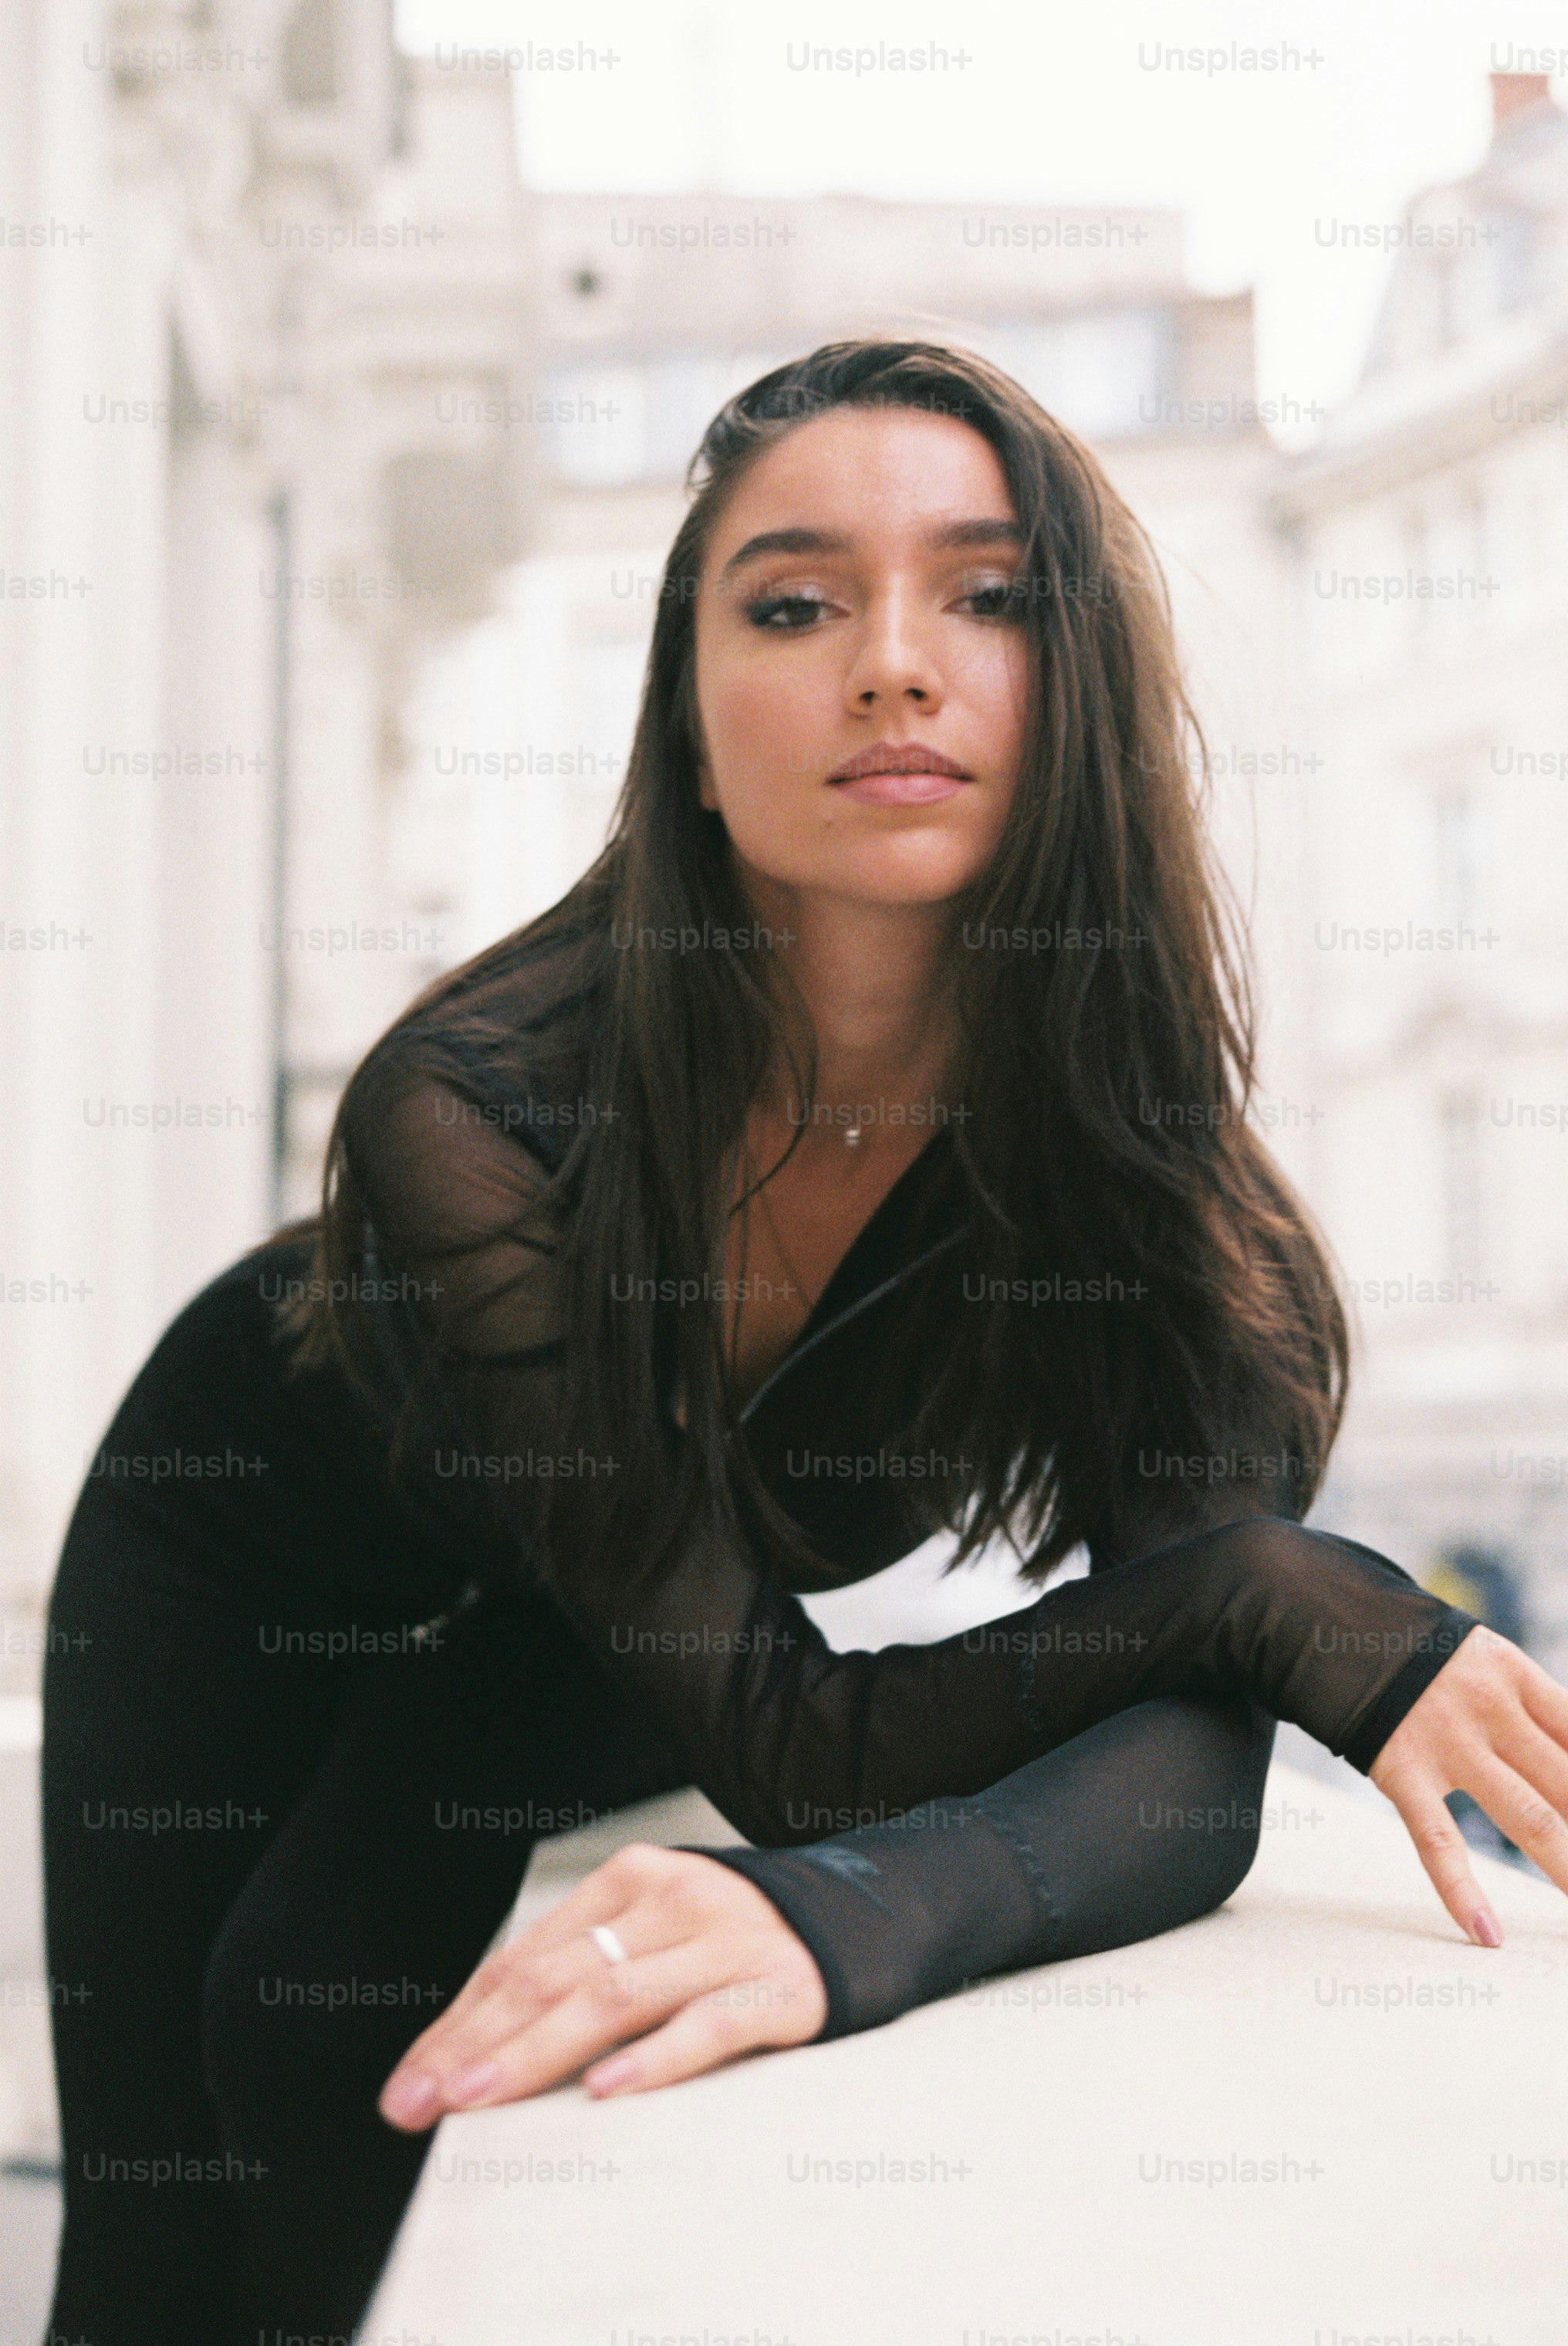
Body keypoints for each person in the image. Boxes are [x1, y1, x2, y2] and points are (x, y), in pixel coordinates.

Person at [40, 339, 1568, 2345]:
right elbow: (806, 1744)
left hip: (590, 1613)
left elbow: (1185, 1754)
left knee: (327, 1995)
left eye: (987, 594)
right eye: (794, 600)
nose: (893, 662)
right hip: (242, 1544)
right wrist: (1276, 1591)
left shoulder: (1161, 1217)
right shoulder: (473, 1108)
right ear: (689, 720)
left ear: (1081, 695)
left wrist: (861, 1919)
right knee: (156, 2226)